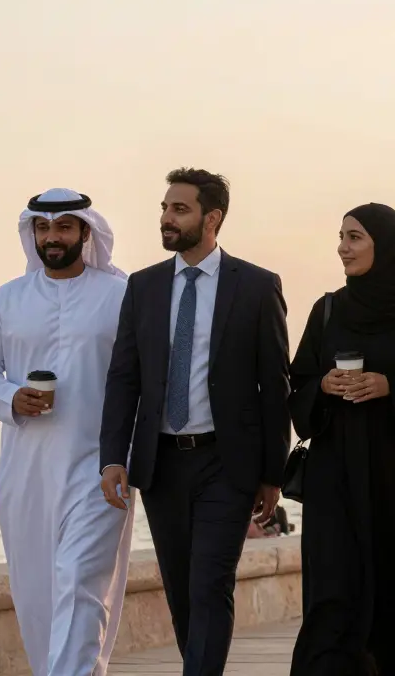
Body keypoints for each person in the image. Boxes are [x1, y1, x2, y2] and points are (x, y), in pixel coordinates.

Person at [98, 168, 291, 676]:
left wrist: (274, 473)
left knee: (210, 584)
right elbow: (124, 377)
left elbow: (275, 386)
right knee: (183, 590)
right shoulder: (143, 287)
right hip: (161, 464)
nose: (166, 218)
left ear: (213, 218)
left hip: (226, 464)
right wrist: (113, 457)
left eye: (179, 209)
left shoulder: (255, 286)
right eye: (164, 208)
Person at [0, 188, 135, 675]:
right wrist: (11, 397)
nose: (52, 237)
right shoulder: (8, 298)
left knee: (82, 582)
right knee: (37, 591)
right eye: (43, 228)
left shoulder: (120, 294)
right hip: (26, 471)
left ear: (86, 232)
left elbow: (144, 375)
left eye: (64, 226)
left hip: (101, 466)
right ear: (31, 234)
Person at [287, 204, 395, 675]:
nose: (343, 247)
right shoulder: (328, 310)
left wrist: (390, 387)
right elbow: (297, 389)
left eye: (355, 237)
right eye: (341, 236)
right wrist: (325, 387)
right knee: (331, 604)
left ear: (387, 245)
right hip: (334, 478)